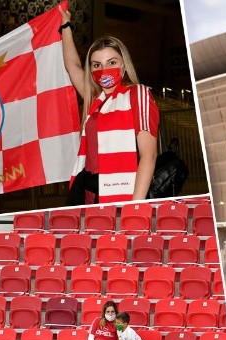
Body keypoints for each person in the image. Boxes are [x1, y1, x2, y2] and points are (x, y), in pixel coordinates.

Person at [59, 5, 159, 205]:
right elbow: (73, 66)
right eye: (97, 65)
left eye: (111, 62)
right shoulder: (96, 100)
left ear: (123, 65)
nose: (104, 70)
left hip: (121, 190)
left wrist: (134, 207)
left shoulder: (137, 94)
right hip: (87, 189)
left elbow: (149, 155)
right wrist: (66, 25)